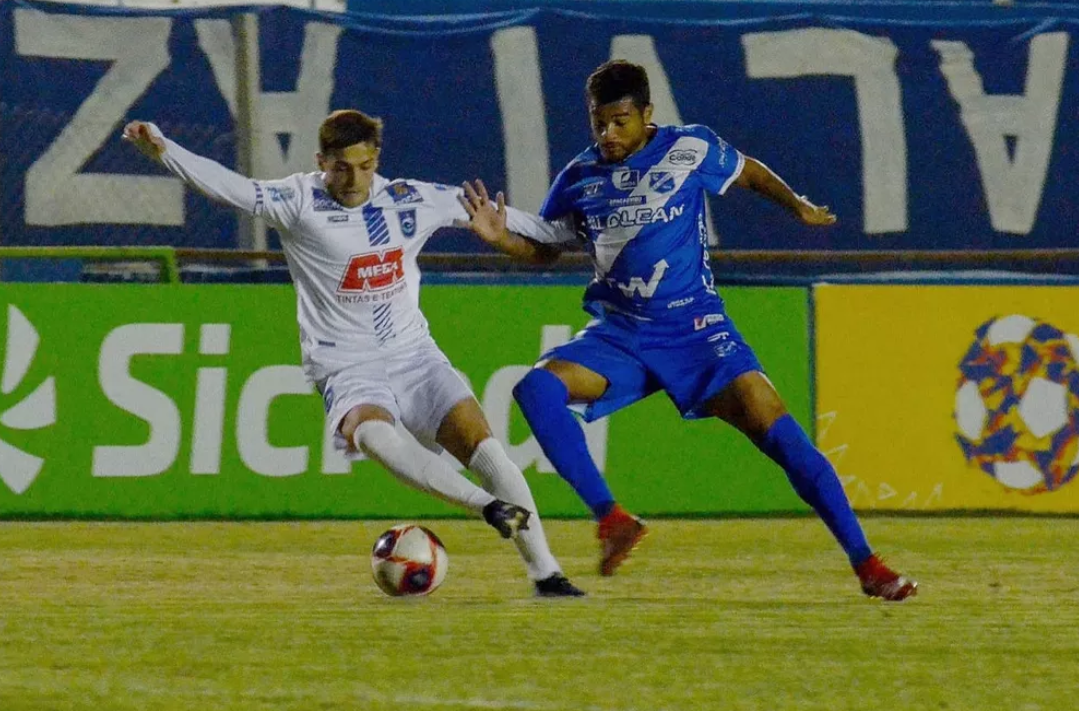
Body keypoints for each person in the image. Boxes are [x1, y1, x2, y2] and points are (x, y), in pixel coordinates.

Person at [458, 60, 917, 601]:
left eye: (621, 121)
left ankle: (868, 565)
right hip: (622, 334)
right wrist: (501, 238)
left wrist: (796, 205)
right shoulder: (580, 177)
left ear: (647, 115)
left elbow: (748, 171)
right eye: (599, 122)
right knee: (535, 387)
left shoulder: (689, 148)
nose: (608, 134)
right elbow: (546, 249)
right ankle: (612, 520)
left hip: (697, 329)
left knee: (781, 435)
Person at [122, 110, 584, 597]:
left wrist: (567, 235)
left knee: (487, 450)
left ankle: (546, 574)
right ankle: (485, 506)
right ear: (321, 161)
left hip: (414, 355)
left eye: (365, 166)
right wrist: (166, 150)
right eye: (341, 167)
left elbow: (493, 212)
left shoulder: (408, 199)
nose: (354, 178)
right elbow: (229, 186)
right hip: (346, 364)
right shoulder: (297, 200)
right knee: (372, 435)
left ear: (376, 159)